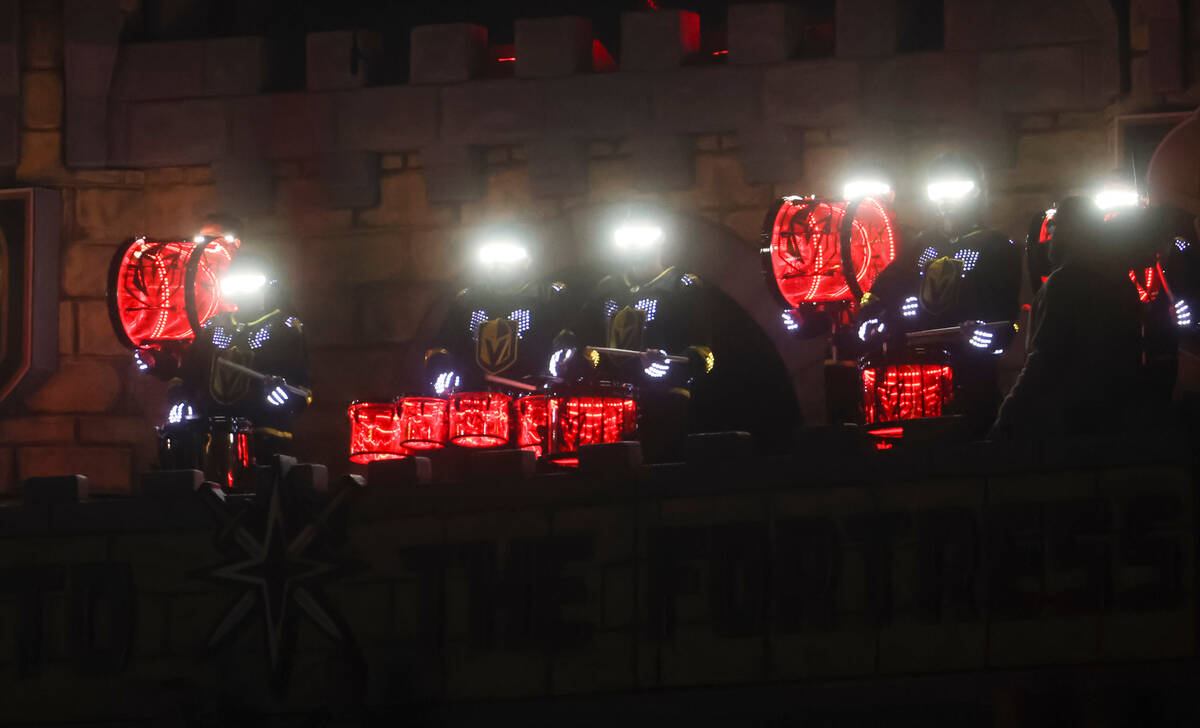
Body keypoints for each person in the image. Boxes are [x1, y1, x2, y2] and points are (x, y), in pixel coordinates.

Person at [856, 152, 1022, 434]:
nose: (946, 199)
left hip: (969, 373)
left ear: (976, 191)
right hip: (912, 375)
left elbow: (1007, 316)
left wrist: (988, 336)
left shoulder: (998, 247)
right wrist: (870, 320)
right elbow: (880, 292)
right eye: (938, 190)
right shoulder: (919, 245)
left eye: (956, 189)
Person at [554, 219, 714, 461]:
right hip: (609, 404)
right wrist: (567, 345)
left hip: (664, 399)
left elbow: (705, 353)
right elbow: (580, 332)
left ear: (661, 239)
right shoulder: (608, 287)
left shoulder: (683, 285)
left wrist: (669, 363)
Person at [990, 196, 1142, 439]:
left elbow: (1044, 360)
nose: (1050, 237)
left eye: (1055, 227)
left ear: (1072, 231)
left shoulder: (1064, 284)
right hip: (1117, 424)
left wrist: (1006, 419)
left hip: (1070, 427)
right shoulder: (1120, 282)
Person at [164, 251, 311, 480]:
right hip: (208, 436)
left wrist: (283, 393)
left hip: (265, 437)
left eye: (250, 280)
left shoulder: (285, 327)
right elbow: (187, 376)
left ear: (267, 283)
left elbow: (301, 388)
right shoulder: (213, 327)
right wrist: (180, 401)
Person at [424, 234, 571, 396]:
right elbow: (444, 345)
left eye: (507, 257)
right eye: (492, 258)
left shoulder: (548, 296)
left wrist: (562, 359)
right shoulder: (467, 300)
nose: (499, 264)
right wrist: (442, 367)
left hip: (532, 397)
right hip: (475, 396)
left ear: (527, 260)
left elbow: (567, 339)